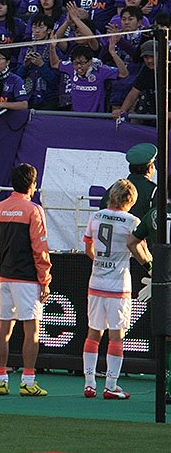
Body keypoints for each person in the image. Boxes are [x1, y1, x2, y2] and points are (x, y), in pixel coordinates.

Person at [0, 164, 52, 397]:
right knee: (31, 330)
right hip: (28, 279)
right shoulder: (34, 210)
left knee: (4, 328)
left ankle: (1, 380)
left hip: (6, 277)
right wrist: (45, 279)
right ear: (32, 185)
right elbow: (40, 248)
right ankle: (28, 381)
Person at [82, 179, 150, 399]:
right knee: (116, 336)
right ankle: (111, 385)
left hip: (96, 282)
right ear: (130, 200)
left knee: (93, 333)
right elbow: (141, 250)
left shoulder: (95, 217)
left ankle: (89, 383)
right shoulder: (132, 221)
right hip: (118, 285)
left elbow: (88, 248)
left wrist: (101, 263)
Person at [99, 142, 158, 223]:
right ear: (150, 168)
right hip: (139, 230)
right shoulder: (154, 190)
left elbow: (103, 209)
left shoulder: (116, 188)